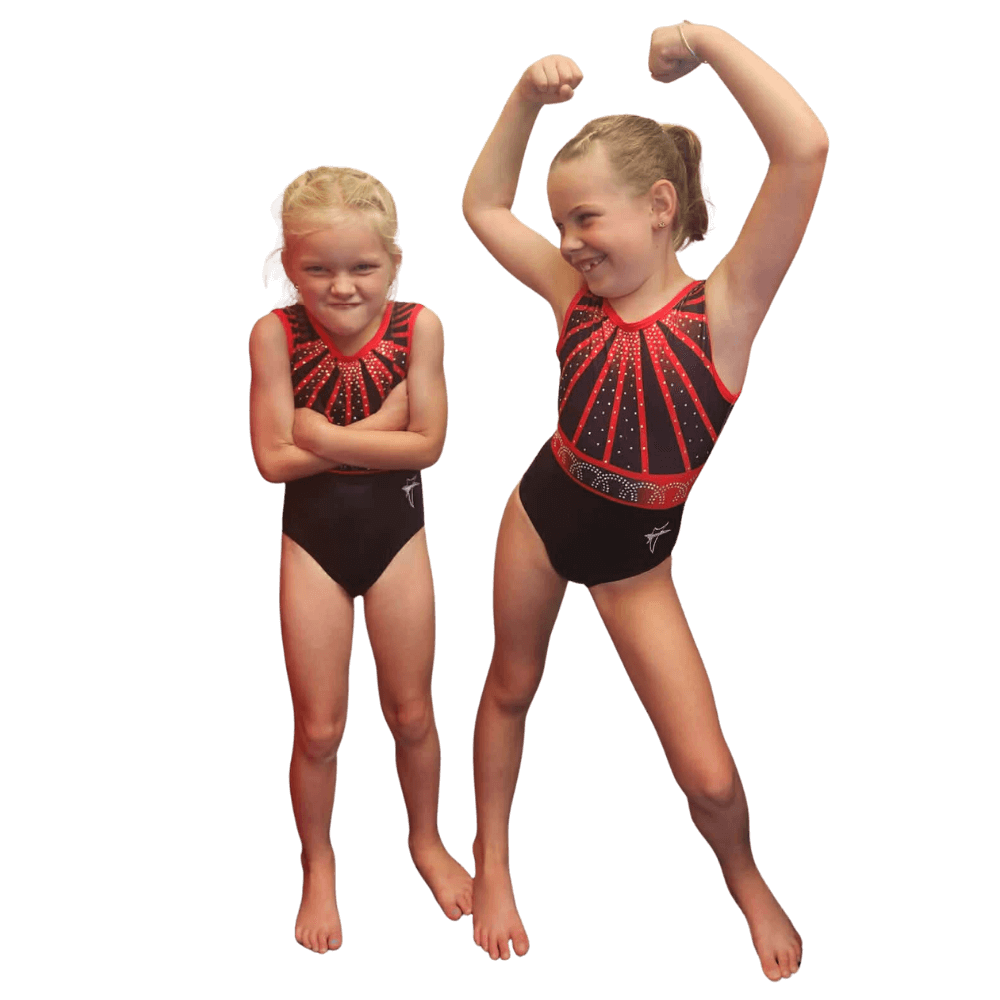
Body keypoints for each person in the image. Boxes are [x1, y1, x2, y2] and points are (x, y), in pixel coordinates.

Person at [461, 21, 827, 981]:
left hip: (636, 562)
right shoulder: (566, 293)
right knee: (510, 686)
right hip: (540, 512)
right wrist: (524, 97)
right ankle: (492, 859)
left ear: (661, 206)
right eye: (562, 224)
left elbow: (805, 148)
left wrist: (707, 41)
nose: (568, 243)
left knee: (708, 776)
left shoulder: (726, 311)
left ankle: (744, 878)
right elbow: (483, 204)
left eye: (587, 219)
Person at [248, 166, 471, 956]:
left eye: (362, 267)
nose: (341, 287)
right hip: (311, 543)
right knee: (318, 729)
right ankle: (319, 862)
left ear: (396, 263)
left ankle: (425, 841)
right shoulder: (273, 333)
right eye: (318, 269)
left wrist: (325, 434)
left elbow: (432, 446)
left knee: (412, 714)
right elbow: (269, 464)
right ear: (288, 265)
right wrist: (383, 426)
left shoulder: (422, 327)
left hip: (398, 536)